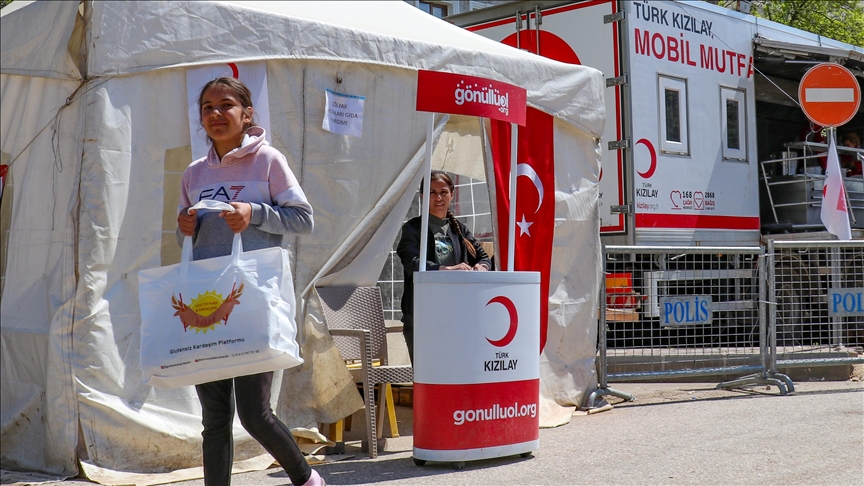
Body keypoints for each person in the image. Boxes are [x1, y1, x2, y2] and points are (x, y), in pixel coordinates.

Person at [176, 77, 323, 486]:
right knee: (215, 417)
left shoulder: (269, 161)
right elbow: (186, 239)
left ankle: (307, 480)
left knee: (255, 413)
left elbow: (303, 218)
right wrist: (184, 225)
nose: (216, 114)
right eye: (207, 107)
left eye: (226, 105)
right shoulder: (193, 173)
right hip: (206, 303)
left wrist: (253, 212)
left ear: (247, 114)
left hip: (254, 300)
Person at [396, 171, 492, 364]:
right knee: (428, 374)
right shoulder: (413, 228)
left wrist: (481, 267)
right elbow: (411, 262)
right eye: (432, 192)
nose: (438, 197)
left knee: (455, 372)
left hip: (457, 315)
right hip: (423, 316)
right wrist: (447, 270)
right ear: (422, 196)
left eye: (443, 192)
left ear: (451, 194)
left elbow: (483, 258)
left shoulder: (460, 229)